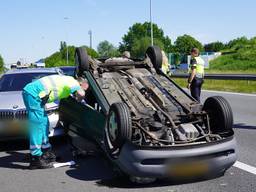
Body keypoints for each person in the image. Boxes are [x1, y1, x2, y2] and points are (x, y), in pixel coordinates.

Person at [22, 75, 89, 169]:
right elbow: (81, 94)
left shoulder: (68, 81)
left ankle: (45, 152)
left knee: (44, 122)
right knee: (37, 126)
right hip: (33, 94)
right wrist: (79, 100)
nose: (85, 90)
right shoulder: (73, 83)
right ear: (81, 84)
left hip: (36, 96)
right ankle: (35, 158)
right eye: (85, 88)